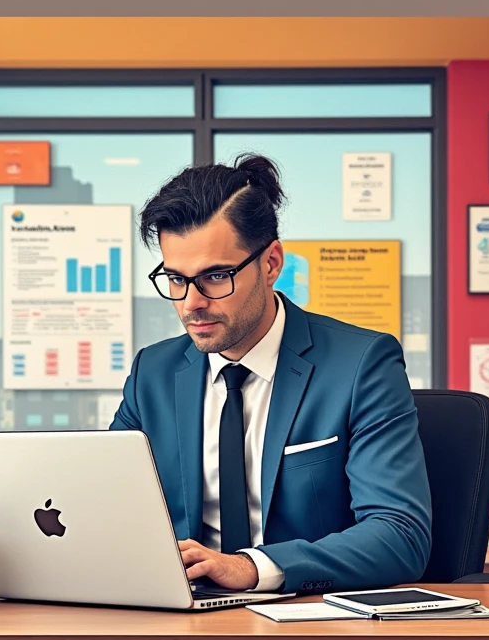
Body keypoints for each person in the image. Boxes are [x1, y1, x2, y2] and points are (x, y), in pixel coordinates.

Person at [110, 154, 432, 595]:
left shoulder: (361, 364)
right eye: (175, 279)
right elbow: (107, 507)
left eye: (215, 276)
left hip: (306, 625)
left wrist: (251, 567)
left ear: (271, 263)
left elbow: (400, 535)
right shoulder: (154, 372)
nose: (190, 303)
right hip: (181, 620)